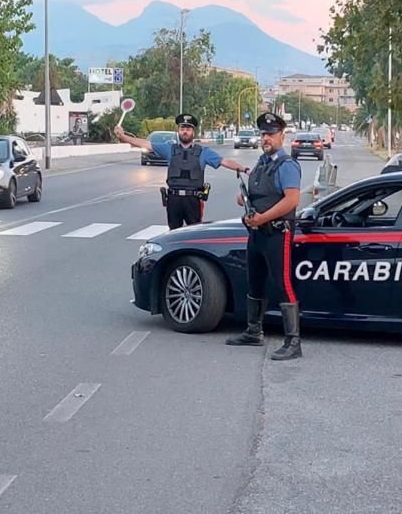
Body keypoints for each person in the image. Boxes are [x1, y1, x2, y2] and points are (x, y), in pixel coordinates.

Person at [225, 111, 303, 360]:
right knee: (255, 281)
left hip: (277, 234)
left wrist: (263, 217)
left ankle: (293, 342)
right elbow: (256, 194)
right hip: (257, 233)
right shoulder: (261, 163)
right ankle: (253, 331)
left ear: (281, 135)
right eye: (263, 134)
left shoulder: (287, 165)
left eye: (270, 134)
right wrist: (245, 201)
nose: (266, 138)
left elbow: (291, 201)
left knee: (283, 285)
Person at [114, 113, 248, 229]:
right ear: (178, 131)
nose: (185, 131)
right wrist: (124, 137)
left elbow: (225, 162)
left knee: (194, 235)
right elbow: (145, 144)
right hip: (174, 200)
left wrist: (245, 169)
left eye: (188, 129)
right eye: (182, 128)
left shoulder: (203, 152)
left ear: (193, 132)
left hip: (193, 200)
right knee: (173, 235)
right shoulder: (169, 149)